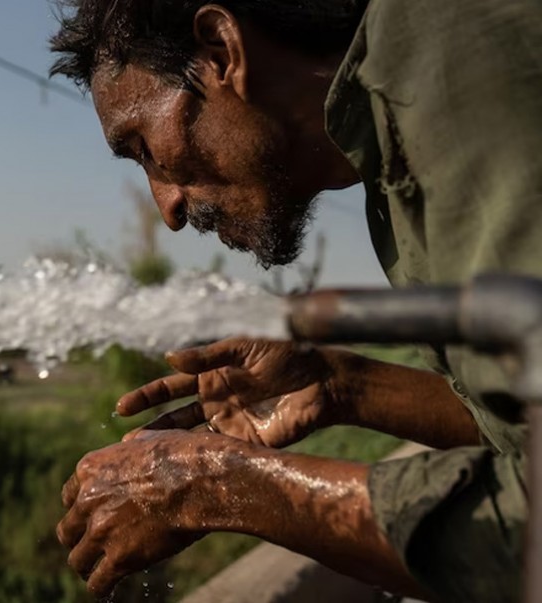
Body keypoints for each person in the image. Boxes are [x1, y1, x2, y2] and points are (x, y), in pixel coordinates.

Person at [49, 0, 541, 600]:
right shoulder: (390, 169)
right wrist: (343, 386)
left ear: (221, 53)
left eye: (146, 148)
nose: (168, 208)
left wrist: (213, 485)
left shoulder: (452, 66)